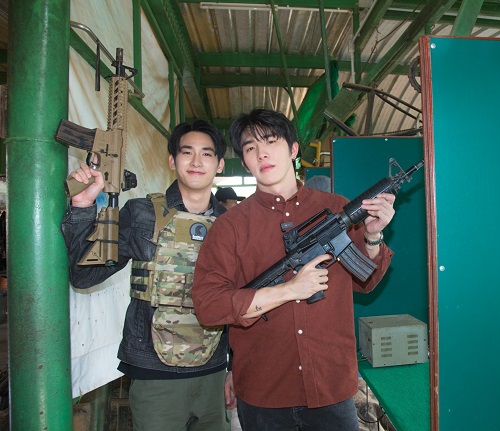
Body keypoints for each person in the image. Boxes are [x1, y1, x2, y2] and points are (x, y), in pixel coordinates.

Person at [192, 108, 395, 431]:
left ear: (293, 149)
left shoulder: (335, 207)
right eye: (250, 148)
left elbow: (366, 281)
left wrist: (373, 237)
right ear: (244, 162)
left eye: (271, 141)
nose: (262, 153)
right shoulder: (230, 227)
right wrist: (288, 290)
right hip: (265, 391)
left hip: (331, 386)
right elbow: (209, 305)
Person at [61, 120, 234, 431]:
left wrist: (235, 367)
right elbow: (84, 276)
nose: (197, 161)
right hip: (154, 375)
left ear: (219, 164)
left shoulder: (232, 224)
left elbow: (238, 300)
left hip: (212, 373)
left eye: (207, 154)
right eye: (187, 152)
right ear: (172, 160)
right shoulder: (141, 213)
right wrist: (83, 206)